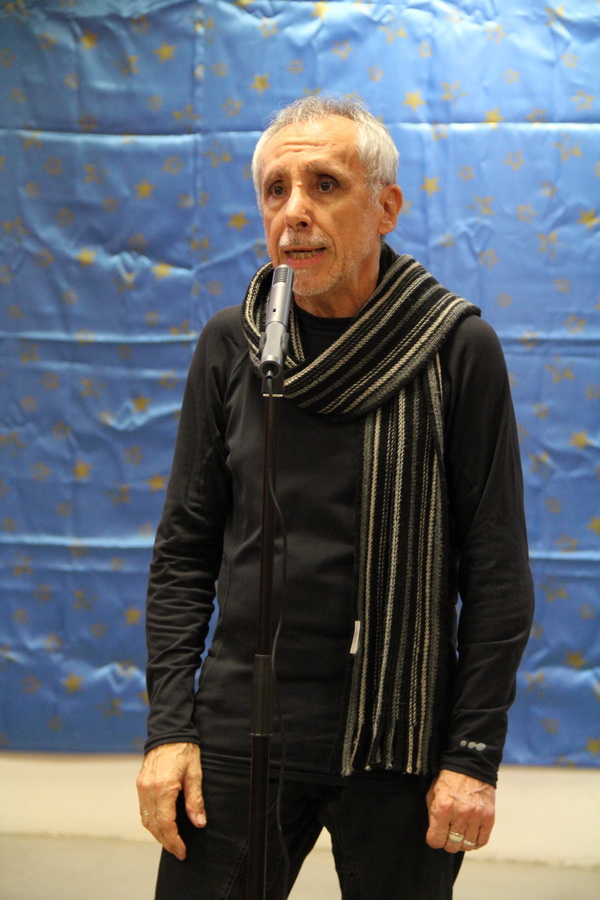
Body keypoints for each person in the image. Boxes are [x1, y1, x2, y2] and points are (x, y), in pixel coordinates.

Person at [136, 96, 534, 899]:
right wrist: (169, 728)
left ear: (386, 208)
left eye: (325, 184)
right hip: (241, 728)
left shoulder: (456, 349)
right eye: (275, 190)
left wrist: (473, 756)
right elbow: (183, 554)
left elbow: (497, 574)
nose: (295, 212)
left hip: (401, 734)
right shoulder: (232, 346)